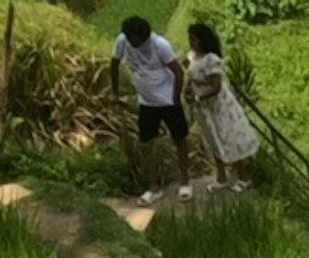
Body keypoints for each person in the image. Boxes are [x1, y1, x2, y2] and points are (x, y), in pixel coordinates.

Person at [111, 17, 187, 183]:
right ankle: (153, 186)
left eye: (138, 40)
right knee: (146, 143)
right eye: (132, 40)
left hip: (167, 100)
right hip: (146, 102)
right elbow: (114, 65)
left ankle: (185, 181)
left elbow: (178, 72)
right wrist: (115, 92)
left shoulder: (160, 45)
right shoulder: (122, 41)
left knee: (180, 140)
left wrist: (175, 98)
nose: (135, 43)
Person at [185, 22, 261, 187]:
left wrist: (198, 96)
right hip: (204, 109)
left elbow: (216, 87)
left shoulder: (211, 60)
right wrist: (189, 92)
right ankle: (221, 177)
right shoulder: (192, 57)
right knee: (213, 138)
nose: (191, 42)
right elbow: (190, 78)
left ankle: (243, 176)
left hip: (218, 107)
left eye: (194, 39)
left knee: (229, 136)